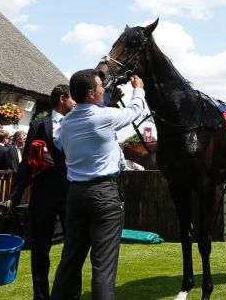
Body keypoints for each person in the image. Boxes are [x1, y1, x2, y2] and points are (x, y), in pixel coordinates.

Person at [50, 70, 146, 300]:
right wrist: (138, 88)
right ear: (91, 93)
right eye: (101, 86)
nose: (105, 89)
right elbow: (135, 110)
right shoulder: (105, 117)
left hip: (75, 195)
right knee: (103, 264)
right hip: (103, 194)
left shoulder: (66, 123)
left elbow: (60, 144)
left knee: (70, 260)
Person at [7, 85, 75, 300]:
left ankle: (72, 296)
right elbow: (27, 161)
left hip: (72, 194)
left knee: (74, 248)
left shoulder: (78, 122)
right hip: (43, 195)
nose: (77, 102)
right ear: (63, 99)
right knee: (40, 249)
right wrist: (14, 196)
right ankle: (41, 296)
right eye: (73, 98)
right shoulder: (38, 124)